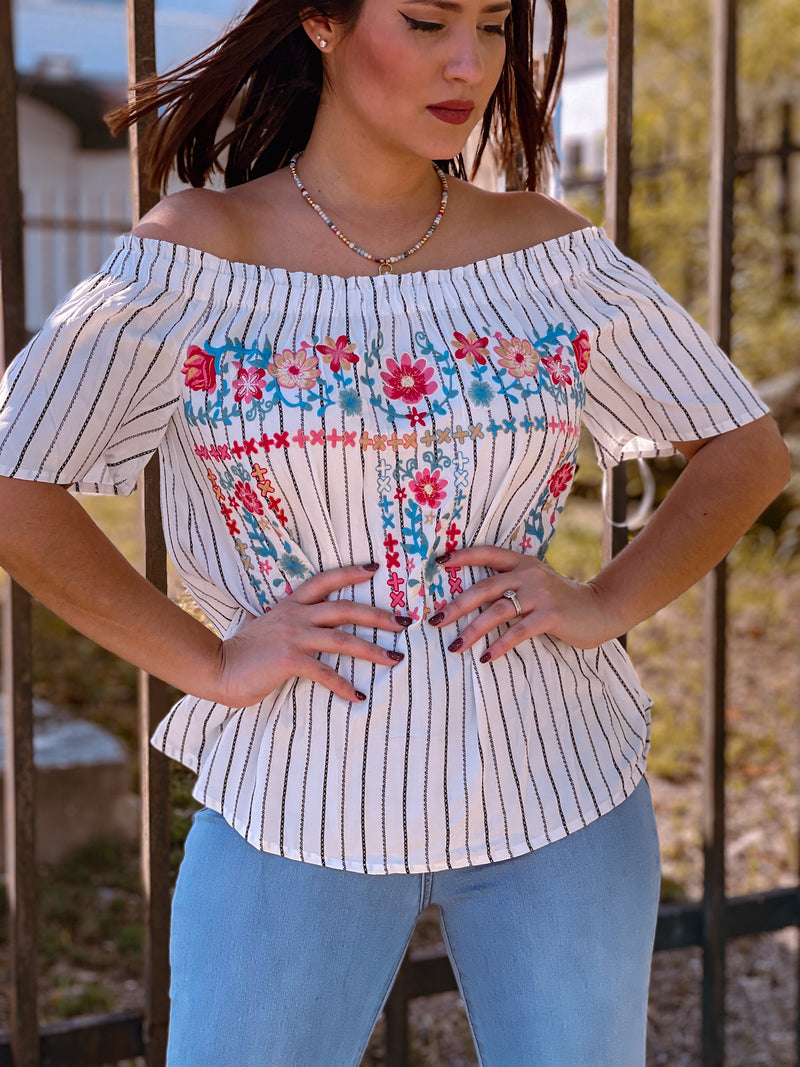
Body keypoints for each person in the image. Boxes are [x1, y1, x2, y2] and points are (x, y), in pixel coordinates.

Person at [0, 0, 790, 1061]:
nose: (467, 62)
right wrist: (207, 660)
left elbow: (743, 451)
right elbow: (18, 481)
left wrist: (604, 600)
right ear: (320, 21)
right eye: (423, 20)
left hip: (558, 784)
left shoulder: (546, 255)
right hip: (296, 791)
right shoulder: (197, 256)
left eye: (495, 24)